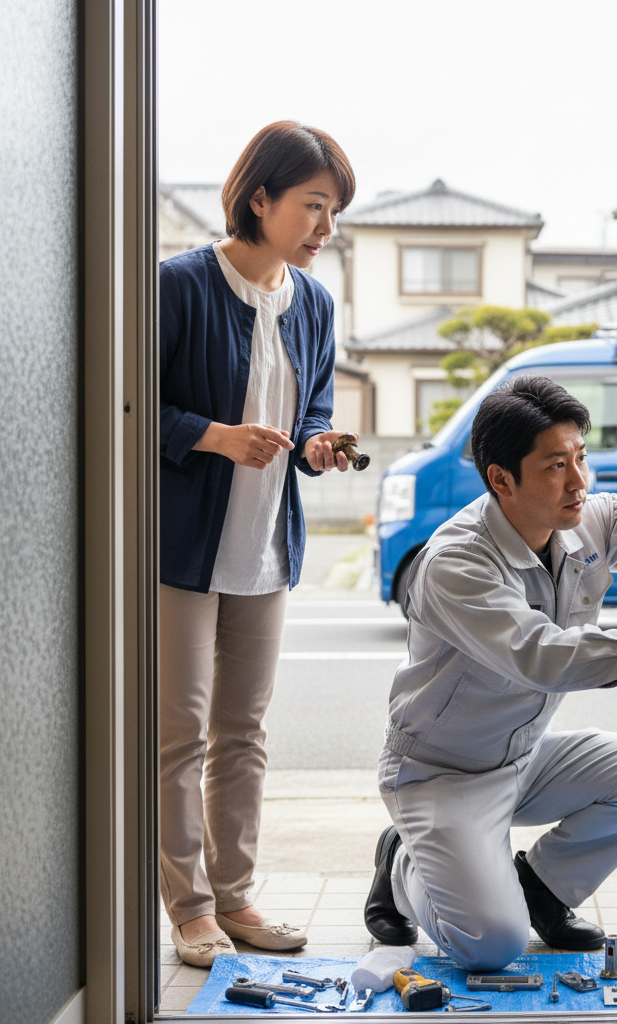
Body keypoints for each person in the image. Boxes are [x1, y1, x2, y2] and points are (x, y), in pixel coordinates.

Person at [364, 375, 617, 970]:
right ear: (501, 479)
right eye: (556, 465)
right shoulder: (455, 563)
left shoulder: (583, 520)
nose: (579, 481)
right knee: (491, 946)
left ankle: (543, 888)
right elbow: (543, 655)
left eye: (580, 457)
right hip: (439, 774)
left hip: (523, 758)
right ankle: (402, 862)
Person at [159, 121, 357, 968]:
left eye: (334, 212)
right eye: (314, 207)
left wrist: (318, 443)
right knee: (180, 731)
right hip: (181, 549)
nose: (325, 228)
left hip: (265, 548)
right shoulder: (177, 287)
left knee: (243, 732)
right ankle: (189, 908)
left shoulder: (312, 302)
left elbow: (308, 409)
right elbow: (126, 407)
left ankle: (236, 897)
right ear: (261, 198)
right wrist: (216, 437)